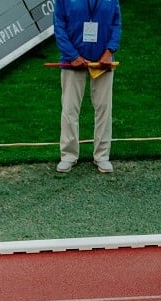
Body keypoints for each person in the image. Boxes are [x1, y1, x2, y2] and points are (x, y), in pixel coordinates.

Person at [53, 0, 121, 174]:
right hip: (72, 62)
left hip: (103, 62)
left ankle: (102, 156)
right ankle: (68, 156)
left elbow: (116, 23)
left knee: (104, 109)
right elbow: (59, 26)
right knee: (69, 109)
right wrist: (72, 55)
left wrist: (109, 51)